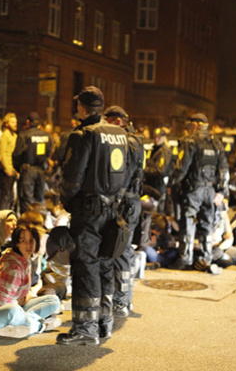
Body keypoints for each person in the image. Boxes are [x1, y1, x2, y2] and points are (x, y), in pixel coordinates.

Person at [56, 86, 128, 346]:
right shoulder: (119, 134)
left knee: (86, 267)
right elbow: (127, 173)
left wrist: (67, 201)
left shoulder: (83, 134)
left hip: (88, 211)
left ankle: (85, 328)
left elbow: (73, 176)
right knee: (105, 265)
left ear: (82, 107)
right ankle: (104, 323)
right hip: (112, 210)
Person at [0, 225, 62, 339]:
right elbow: (3, 302)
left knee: (53, 300)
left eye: (31, 241)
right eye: (23, 241)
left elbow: (20, 299)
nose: (28, 245)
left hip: (15, 308)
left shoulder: (24, 259)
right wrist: (23, 301)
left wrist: (23, 302)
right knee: (13, 310)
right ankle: (39, 326)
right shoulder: (14, 266)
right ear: (17, 243)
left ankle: (18, 325)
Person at [170, 113, 229, 273]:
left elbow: (182, 167)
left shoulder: (190, 142)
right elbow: (224, 170)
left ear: (195, 125)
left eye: (190, 125)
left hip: (193, 190)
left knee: (188, 222)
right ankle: (205, 258)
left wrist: (172, 182)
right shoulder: (216, 143)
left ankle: (185, 259)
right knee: (207, 225)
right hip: (210, 191)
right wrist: (221, 191)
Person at [104, 105, 144, 318]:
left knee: (119, 249)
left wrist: (115, 200)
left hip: (124, 202)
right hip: (133, 200)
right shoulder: (136, 139)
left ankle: (121, 301)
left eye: (108, 121)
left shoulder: (125, 141)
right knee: (125, 250)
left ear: (118, 121)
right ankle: (125, 299)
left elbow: (124, 174)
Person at [13, 111, 53, 214]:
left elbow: (17, 154)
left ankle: (28, 221)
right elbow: (49, 153)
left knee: (26, 198)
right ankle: (39, 220)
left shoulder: (24, 135)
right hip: (41, 170)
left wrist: (18, 168)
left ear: (28, 121)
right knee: (39, 198)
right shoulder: (47, 136)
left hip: (28, 170)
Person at [143, 127, 172, 214]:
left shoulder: (164, 151)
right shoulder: (153, 149)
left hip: (158, 187)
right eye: (155, 137)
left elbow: (160, 170)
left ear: (164, 138)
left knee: (157, 214)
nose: (156, 139)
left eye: (159, 137)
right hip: (150, 185)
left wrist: (144, 170)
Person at [0, 112, 19, 210]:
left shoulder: (14, 135)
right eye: (12, 122)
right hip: (7, 170)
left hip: (13, 169)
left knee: (10, 195)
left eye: (16, 122)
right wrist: (7, 169)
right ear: (6, 124)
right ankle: (2, 214)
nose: (15, 124)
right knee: (5, 195)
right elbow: (3, 153)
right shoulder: (5, 135)